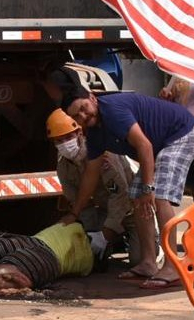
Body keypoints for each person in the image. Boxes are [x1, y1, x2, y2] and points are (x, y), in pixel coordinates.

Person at [59, 86, 194, 289]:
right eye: (77, 116)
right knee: (136, 197)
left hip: (181, 133)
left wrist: (148, 188)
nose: (83, 115)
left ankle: (172, 267)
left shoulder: (113, 111)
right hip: (157, 145)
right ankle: (148, 263)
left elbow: (144, 146)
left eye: (84, 108)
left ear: (92, 98)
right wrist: (74, 213)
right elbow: (91, 174)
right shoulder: (95, 134)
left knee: (159, 197)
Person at [46, 108, 142, 264]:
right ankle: (113, 241)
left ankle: (147, 235)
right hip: (106, 210)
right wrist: (90, 234)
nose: (65, 144)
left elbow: (121, 196)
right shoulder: (64, 167)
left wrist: (105, 234)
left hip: (133, 210)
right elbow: (81, 204)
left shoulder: (102, 155)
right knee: (94, 257)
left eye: (68, 137)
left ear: (79, 133)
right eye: (59, 140)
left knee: (139, 260)